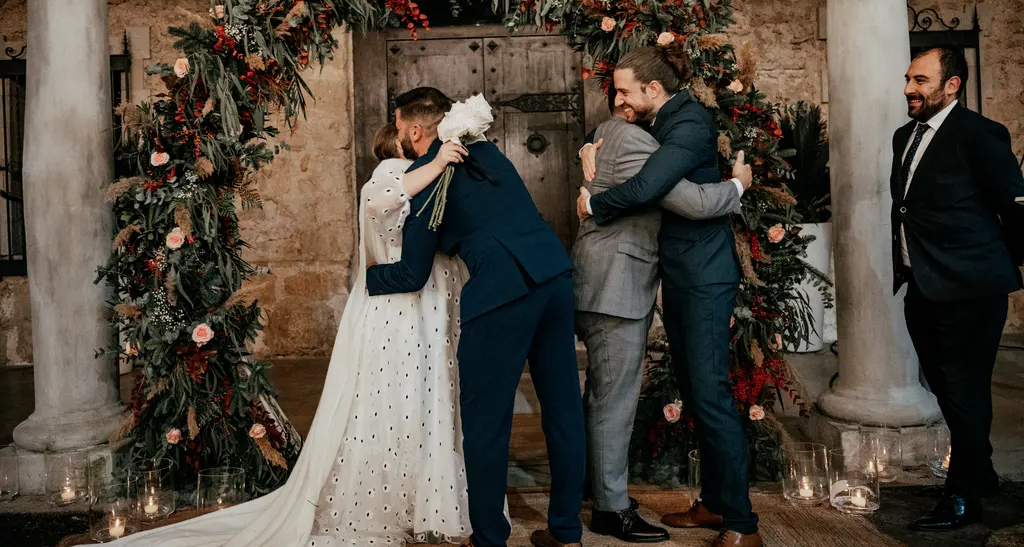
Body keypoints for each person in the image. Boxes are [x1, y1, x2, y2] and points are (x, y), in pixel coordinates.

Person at [110, 121, 472, 547]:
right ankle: (390, 499)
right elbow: (380, 204)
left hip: (421, 306)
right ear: (400, 142)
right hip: (397, 307)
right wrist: (438, 163)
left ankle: (417, 497)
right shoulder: (391, 170)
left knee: (415, 401)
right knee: (393, 402)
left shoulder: (424, 178)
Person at [366, 87, 586, 547]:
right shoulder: (489, 154)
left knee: (486, 424)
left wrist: (367, 280)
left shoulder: (428, 182)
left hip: (502, 295)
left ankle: (489, 539)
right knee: (564, 410)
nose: (402, 136)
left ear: (415, 129)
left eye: (402, 127)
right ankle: (566, 532)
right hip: (553, 276)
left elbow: (411, 273)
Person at [577, 46, 761, 547]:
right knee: (698, 393)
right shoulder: (653, 119)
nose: (617, 99)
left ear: (653, 89)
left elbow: (649, 184)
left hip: (703, 275)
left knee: (709, 395)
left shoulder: (690, 124)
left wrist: (594, 202)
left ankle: (742, 525)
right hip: (676, 275)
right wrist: (591, 145)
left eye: (623, 90)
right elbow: (613, 134)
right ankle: (714, 504)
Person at [891, 47, 1024, 531]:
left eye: (920, 80)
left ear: (952, 85)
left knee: (966, 393)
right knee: (947, 390)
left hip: (971, 291)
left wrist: (991, 266)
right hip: (922, 287)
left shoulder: (980, 134)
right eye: (908, 78)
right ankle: (981, 469)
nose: (909, 87)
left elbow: (1016, 210)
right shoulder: (903, 136)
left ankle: (963, 497)